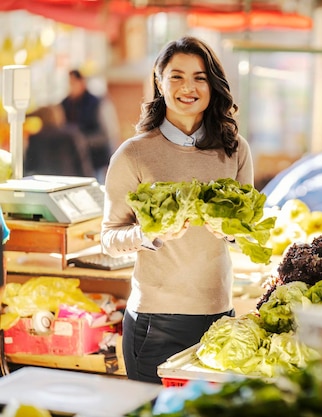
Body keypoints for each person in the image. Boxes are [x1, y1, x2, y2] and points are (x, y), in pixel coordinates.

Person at [100, 36, 253, 384]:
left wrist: (231, 230)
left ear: (212, 84)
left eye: (200, 77)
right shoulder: (133, 154)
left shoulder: (235, 149)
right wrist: (149, 234)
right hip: (157, 322)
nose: (189, 87)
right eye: (177, 76)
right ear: (159, 80)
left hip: (220, 317)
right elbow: (108, 238)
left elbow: (247, 232)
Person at [61, 69, 119, 184]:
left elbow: (107, 133)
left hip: (96, 158)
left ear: (81, 82)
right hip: (74, 162)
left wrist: (82, 141)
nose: (70, 87)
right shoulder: (65, 104)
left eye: (73, 83)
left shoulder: (96, 103)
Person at [24, 104, 95, 178]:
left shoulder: (36, 138)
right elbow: (82, 164)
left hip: (45, 182)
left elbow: (30, 166)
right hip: (69, 181)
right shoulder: (71, 135)